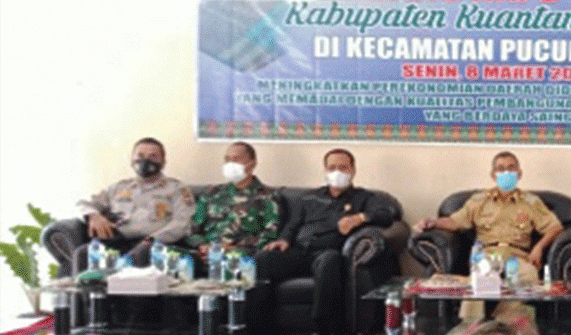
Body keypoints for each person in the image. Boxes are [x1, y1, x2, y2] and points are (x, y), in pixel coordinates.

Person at [250, 148, 395, 335]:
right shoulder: (310, 197)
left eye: (343, 168)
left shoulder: (364, 197)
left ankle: (324, 329)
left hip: (328, 252)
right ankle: (258, 327)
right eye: (332, 168)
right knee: (263, 259)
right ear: (325, 170)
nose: (337, 172)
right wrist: (284, 240)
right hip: (299, 251)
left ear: (353, 170)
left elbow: (387, 215)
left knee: (329, 261)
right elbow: (292, 224)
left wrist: (360, 218)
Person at [414, 151, 563, 333]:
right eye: (501, 169)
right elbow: (454, 221)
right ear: (493, 175)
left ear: (519, 173)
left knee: (529, 274)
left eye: (511, 168)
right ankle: (470, 324)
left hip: (517, 257)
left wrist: (539, 247)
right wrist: (432, 222)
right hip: (487, 255)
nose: (506, 173)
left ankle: (505, 320)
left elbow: (555, 227)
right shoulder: (479, 200)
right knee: (479, 278)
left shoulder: (531, 202)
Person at [75, 137, 193, 269]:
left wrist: (151, 240)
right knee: (83, 253)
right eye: (140, 156)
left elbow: (182, 224)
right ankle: (82, 283)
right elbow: (83, 203)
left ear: (163, 162)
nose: (145, 160)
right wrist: (94, 216)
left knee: (141, 253)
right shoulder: (119, 187)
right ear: (132, 160)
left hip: (156, 243)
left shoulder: (177, 189)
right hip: (120, 242)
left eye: (153, 156)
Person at [186, 141, 279, 269]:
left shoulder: (268, 196)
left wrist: (232, 248)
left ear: (252, 164)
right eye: (227, 160)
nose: (230, 164)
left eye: (236, 159)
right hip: (205, 253)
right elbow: (192, 228)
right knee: (171, 255)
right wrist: (203, 246)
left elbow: (270, 234)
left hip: (240, 255)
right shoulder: (211, 193)